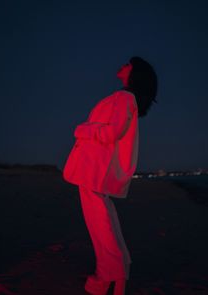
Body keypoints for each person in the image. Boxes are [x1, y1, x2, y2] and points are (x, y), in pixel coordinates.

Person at [63, 56, 158, 295]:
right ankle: (117, 274)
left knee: (101, 226)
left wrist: (82, 128)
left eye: (128, 64)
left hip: (94, 168)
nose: (123, 65)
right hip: (95, 168)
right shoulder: (126, 98)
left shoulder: (124, 98)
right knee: (105, 223)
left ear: (134, 73)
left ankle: (109, 277)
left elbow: (111, 133)